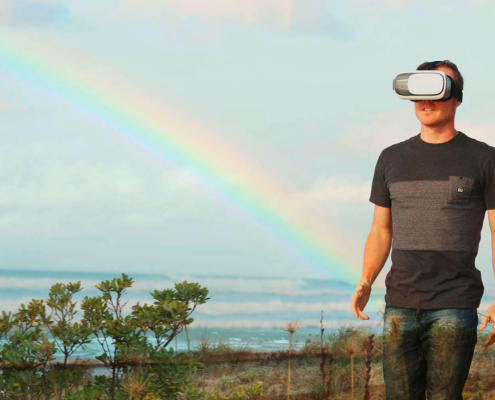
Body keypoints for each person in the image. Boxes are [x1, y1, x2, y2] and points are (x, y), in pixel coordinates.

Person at [350, 60, 495, 400]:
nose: (426, 101)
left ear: (457, 98)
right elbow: (381, 229)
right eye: (419, 93)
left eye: (437, 90)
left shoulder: (485, 159)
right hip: (400, 302)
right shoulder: (391, 158)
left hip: (454, 303)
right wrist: (366, 280)